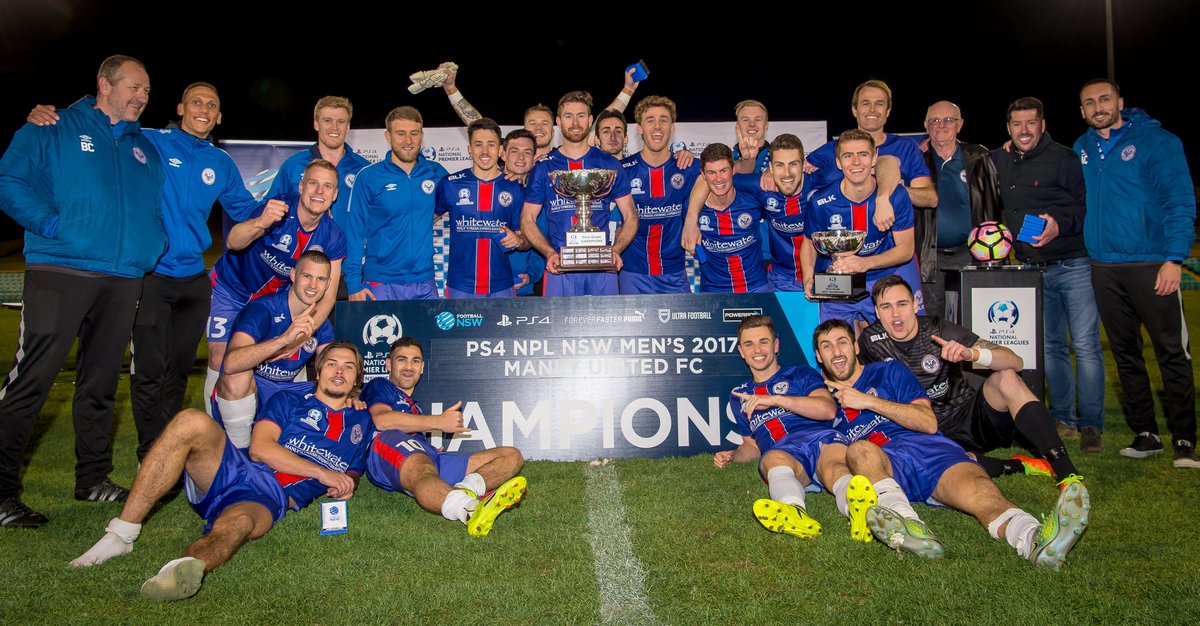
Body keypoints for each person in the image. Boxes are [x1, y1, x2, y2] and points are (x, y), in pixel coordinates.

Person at [25, 82, 265, 462]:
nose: (204, 109)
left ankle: (169, 448)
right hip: (151, 275)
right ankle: (149, 451)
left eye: (212, 105)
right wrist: (54, 116)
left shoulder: (220, 162)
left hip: (194, 280)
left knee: (179, 371)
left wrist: (289, 205)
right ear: (181, 108)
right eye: (196, 102)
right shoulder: (149, 141)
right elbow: (106, 125)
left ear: (219, 117)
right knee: (149, 369)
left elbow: (249, 211)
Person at [68, 342, 373, 601]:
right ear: (318, 371)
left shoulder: (361, 422)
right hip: (238, 468)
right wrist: (323, 473)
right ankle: (121, 534)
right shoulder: (289, 398)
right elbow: (260, 448)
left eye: (348, 367)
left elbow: (354, 473)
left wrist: (345, 485)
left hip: (270, 497)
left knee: (238, 523)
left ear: (357, 377)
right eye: (332, 363)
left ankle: (182, 568)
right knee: (189, 420)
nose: (339, 371)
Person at [0, 55, 167, 527]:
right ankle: (2, 491)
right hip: (61, 271)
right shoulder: (52, 125)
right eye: (134, 87)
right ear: (104, 84)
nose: (140, 97)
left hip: (123, 277)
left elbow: (154, 207)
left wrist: (149, 248)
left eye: (147, 91)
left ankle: (92, 479)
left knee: (99, 385)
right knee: (32, 381)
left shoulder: (144, 149)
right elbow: (9, 180)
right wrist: (51, 225)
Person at [813, 319, 1091, 569]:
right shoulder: (820, 402)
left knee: (985, 495)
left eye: (842, 343)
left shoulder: (889, 372)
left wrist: (869, 401)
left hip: (930, 451)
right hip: (885, 466)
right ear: (818, 356)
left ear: (856, 347)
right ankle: (907, 524)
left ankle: (1035, 539)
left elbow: (927, 422)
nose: (837, 352)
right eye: (827, 346)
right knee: (860, 449)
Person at [1075, 79, 1198, 468]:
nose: (1098, 107)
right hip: (1104, 267)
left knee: (1171, 352)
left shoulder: (1158, 142)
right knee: (1126, 355)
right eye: (1089, 102)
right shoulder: (1081, 148)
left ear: (1120, 102)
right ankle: (1146, 433)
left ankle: (1184, 440)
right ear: (1082, 110)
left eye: (1104, 99)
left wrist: (1174, 258)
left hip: (1152, 264)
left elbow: (1179, 200)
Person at [859, 275, 1082, 483]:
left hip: (969, 418)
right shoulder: (871, 341)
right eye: (886, 307)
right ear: (877, 313)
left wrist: (972, 354)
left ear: (915, 305)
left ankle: (1066, 471)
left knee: (1006, 377)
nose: (895, 314)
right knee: (934, 463)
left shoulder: (939, 330)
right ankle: (1014, 466)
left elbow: (1016, 362)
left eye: (902, 304)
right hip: (926, 430)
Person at [993, 97, 1103, 453]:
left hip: (1072, 264)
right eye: (1016, 124)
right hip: (1030, 271)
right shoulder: (1002, 159)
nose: (1023, 130)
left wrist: (1061, 224)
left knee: (1085, 346)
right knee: (1051, 347)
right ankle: (1064, 419)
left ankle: (1091, 425)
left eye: (1030, 123)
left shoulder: (1064, 158)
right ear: (1008, 128)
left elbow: (1087, 208)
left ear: (1042, 123)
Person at [206, 160, 345, 399]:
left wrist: (302, 334)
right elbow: (233, 242)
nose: (319, 192)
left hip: (273, 302)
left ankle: (277, 416)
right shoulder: (278, 209)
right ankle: (214, 427)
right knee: (221, 358)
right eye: (313, 183)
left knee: (287, 357)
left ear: (335, 195)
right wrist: (260, 222)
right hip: (232, 289)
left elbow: (329, 295)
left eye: (327, 186)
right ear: (301, 186)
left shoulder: (333, 236)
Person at [364, 337, 526, 536]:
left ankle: (466, 489)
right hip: (385, 447)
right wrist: (438, 422)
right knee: (422, 467)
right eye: (401, 360)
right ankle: (470, 509)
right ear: (389, 364)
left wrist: (427, 448)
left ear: (422, 367)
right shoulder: (380, 385)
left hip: (423, 453)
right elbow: (382, 421)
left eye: (415, 361)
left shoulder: (415, 407)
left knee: (510, 456)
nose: (409, 367)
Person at [713, 315, 847, 540]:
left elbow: (827, 410)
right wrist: (733, 455)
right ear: (741, 351)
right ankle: (793, 512)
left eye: (764, 341)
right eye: (749, 344)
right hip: (785, 454)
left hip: (821, 440)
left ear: (776, 345)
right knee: (772, 459)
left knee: (836, 468)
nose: (757, 349)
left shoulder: (801, 373)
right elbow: (752, 446)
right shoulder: (739, 396)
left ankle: (860, 511)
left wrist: (777, 399)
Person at [520, 91, 639, 296]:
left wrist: (615, 250)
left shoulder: (610, 164)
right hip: (559, 266)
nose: (575, 123)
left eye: (581, 115)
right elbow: (527, 219)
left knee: (607, 326)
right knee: (559, 327)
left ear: (591, 120)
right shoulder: (543, 167)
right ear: (558, 121)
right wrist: (549, 253)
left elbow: (630, 215)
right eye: (568, 116)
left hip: (601, 265)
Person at [212, 251, 334, 448]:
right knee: (238, 376)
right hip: (253, 391)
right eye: (307, 276)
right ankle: (240, 451)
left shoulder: (321, 323)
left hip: (285, 394)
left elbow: (330, 366)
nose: (313, 285)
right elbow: (231, 363)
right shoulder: (263, 310)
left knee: (341, 389)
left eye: (320, 279)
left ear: (328, 284)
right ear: (293, 275)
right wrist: (283, 340)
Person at [800, 130, 921, 326]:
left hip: (881, 282)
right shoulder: (821, 201)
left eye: (863, 155)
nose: (856, 162)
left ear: (874, 158)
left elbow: (906, 250)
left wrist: (865, 264)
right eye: (848, 156)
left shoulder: (895, 196)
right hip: (837, 286)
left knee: (890, 345)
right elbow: (809, 241)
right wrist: (808, 276)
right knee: (834, 345)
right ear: (839, 163)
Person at [343, 106, 449, 301]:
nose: (408, 141)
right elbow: (355, 233)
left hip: (424, 281)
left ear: (421, 135)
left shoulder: (437, 173)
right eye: (400, 134)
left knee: (427, 332)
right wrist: (353, 283)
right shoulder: (368, 177)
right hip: (380, 281)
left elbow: (468, 194)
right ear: (388, 136)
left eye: (414, 133)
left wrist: (508, 175)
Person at [918, 101, 1001, 318]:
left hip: (971, 253)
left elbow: (995, 202)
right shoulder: (917, 160)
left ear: (960, 124)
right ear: (926, 125)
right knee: (932, 321)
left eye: (948, 120)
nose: (941, 125)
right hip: (930, 256)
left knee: (971, 318)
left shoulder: (978, 157)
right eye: (935, 120)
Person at [805, 80, 937, 214]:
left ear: (888, 111)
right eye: (865, 103)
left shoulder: (906, 148)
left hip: (891, 231)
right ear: (854, 110)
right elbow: (796, 187)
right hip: (839, 231)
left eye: (879, 103)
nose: (872, 109)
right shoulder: (831, 149)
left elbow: (930, 199)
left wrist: (895, 189)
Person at [435, 118, 528, 298]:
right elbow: (424, 223)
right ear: (469, 149)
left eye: (491, 145)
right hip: (460, 286)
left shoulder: (514, 188)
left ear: (500, 150)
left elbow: (526, 241)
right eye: (478, 145)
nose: (485, 151)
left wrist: (518, 241)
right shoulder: (449, 185)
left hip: (502, 286)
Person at [618, 95, 701, 294]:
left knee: (685, 326)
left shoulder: (687, 166)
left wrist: (691, 218)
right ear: (639, 128)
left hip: (675, 273)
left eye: (663, 120)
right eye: (650, 120)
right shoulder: (623, 170)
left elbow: (709, 178)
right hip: (633, 274)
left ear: (672, 127)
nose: (657, 126)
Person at [265, 96, 369, 231]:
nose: (334, 127)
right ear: (316, 124)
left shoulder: (364, 169)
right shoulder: (293, 165)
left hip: (348, 251)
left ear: (348, 127)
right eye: (327, 121)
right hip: (301, 250)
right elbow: (269, 209)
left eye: (341, 122)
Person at [694, 143, 769, 293]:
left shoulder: (753, 197)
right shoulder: (692, 208)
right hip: (714, 292)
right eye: (711, 172)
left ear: (734, 169)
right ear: (702, 174)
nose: (718, 179)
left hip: (756, 288)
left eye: (723, 170)